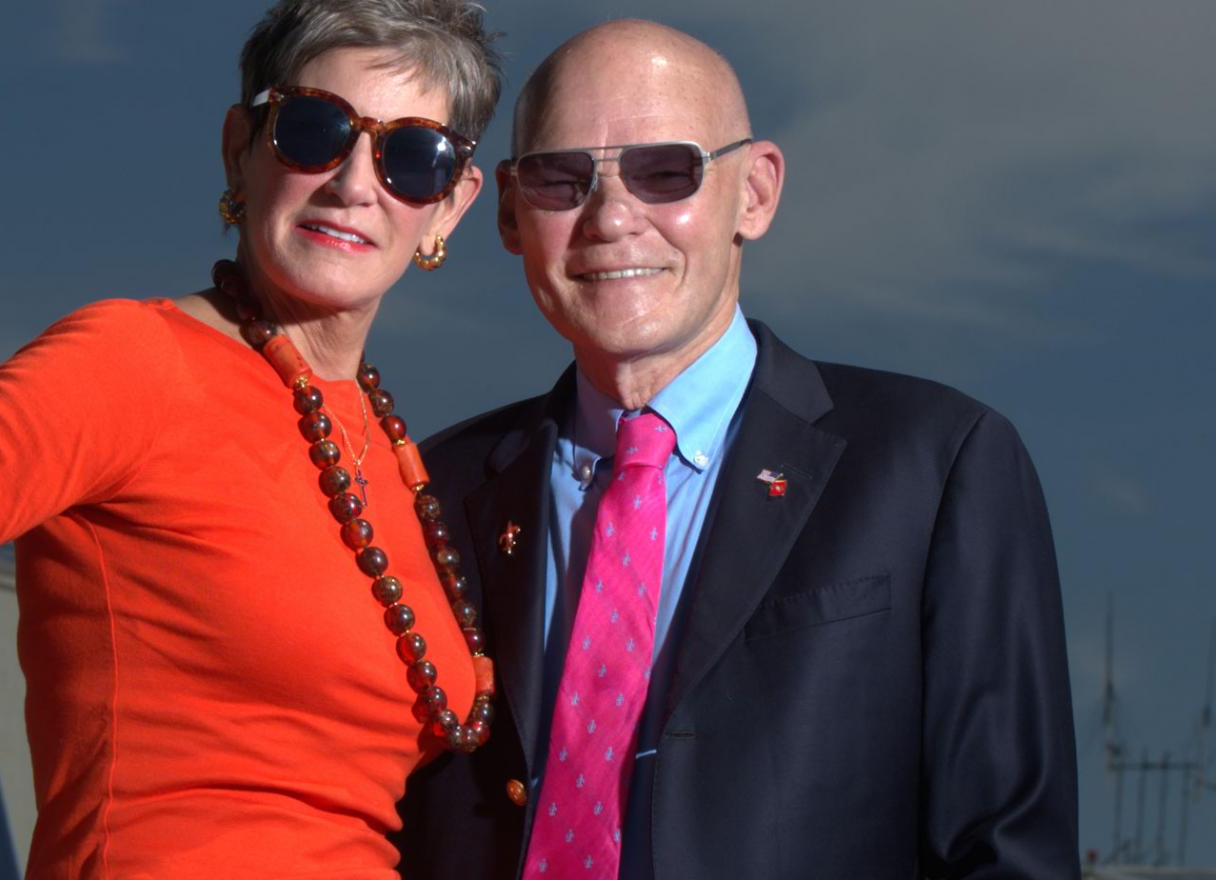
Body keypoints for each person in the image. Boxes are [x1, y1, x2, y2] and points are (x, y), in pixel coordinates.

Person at [0, 2, 502, 877]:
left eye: (411, 158)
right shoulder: (134, 366)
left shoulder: (399, 465)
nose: (356, 183)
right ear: (240, 144)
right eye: (315, 130)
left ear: (450, 207)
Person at [394, 19, 1078, 879]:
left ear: (754, 192)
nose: (611, 217)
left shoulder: (934, 466)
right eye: (562, 179)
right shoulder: (432, 490)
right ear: (507, 211)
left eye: (664, 171)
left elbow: (1007, 851)